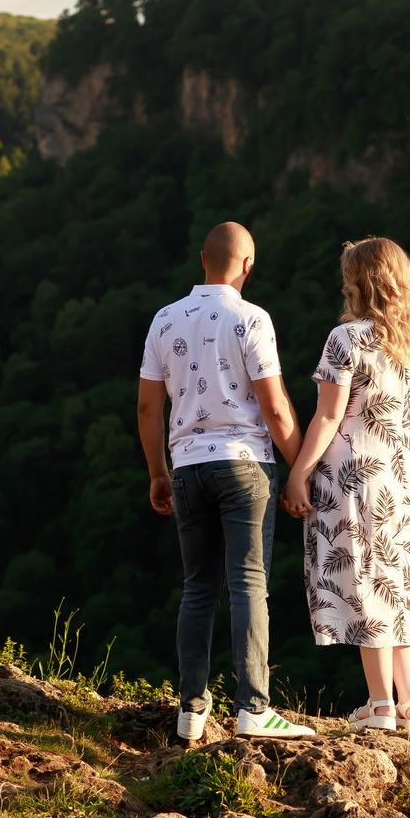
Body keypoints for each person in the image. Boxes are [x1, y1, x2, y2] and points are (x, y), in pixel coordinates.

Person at [138, 221, 318, 743]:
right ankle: (253, 709)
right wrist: (302, 466)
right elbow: (276, 406)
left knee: (197, 589)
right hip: (244, 465)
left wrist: (157, 472)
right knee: (248, 583)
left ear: (202, 259)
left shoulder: (164, 320)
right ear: (247, 265)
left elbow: (150, 407)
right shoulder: (251, 319)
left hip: (188, 467)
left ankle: (191, 711)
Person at [281, 237, 410, 732]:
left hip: (356, 476)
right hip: (407, 478)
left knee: (369, 582)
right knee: (399, 583)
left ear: (361, 283)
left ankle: (380, 706)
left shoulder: (345, 340)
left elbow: (328, 417)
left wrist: (298, 472)